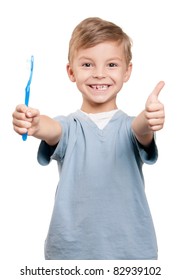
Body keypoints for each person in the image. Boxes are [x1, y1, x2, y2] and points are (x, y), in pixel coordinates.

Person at [12, 17, 165, 260]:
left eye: (112, 65)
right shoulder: (68, 127)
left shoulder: (131, 127)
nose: (99, 74)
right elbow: (50, 128)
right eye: (87, 65)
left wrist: (150, 117)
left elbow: (141, 128)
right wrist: (33, 122)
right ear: (71, 72)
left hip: (132, 253)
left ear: (128, 71)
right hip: (70, 254)